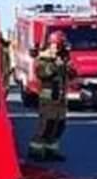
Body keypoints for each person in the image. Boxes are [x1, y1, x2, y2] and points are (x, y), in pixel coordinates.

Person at [29, 32, 72, 161]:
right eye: (57, 45)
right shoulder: (43, 58)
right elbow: (42, 73)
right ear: (51, 44)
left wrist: (69, 68)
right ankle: (36, 151)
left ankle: (51, 150)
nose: (59, 48)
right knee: (46, 125)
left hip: (60, 98)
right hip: (48, 98)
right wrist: (54, 66)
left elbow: (69, 75)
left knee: (59, 125)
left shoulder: (63, 58)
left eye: (61, 45)